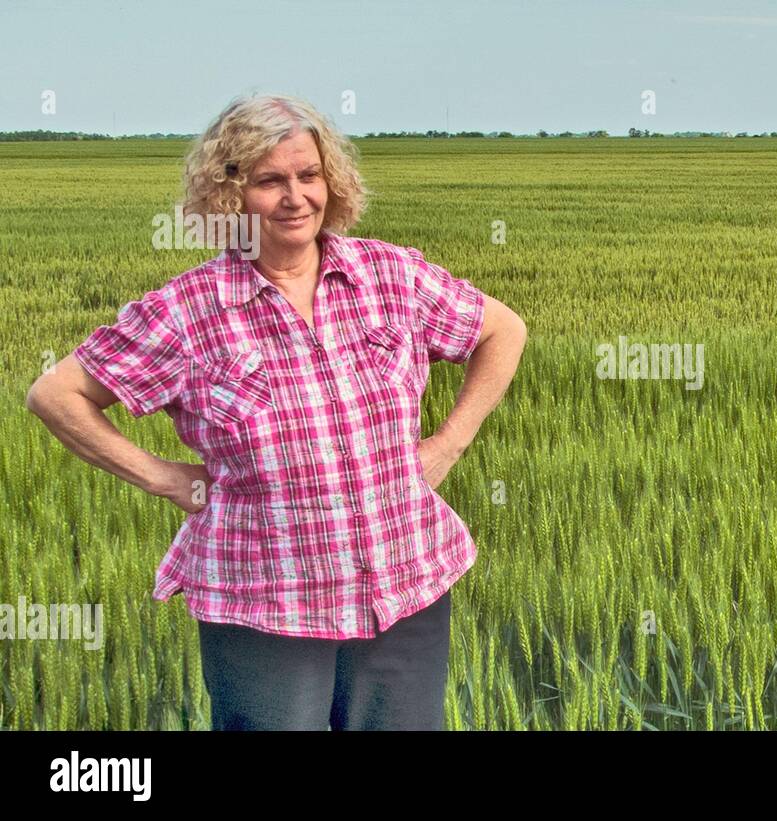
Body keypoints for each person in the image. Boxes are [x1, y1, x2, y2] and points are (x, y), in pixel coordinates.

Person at [25, 93, 527, 730]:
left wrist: (449, 443)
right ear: (229, 197)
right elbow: (56, 395)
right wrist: (166, 478)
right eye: (270, 180)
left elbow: (501, 330)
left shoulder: (389, 276)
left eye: (309, 176)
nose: (296, 197)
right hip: (267, 602)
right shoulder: (190, 310)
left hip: (404, 585)